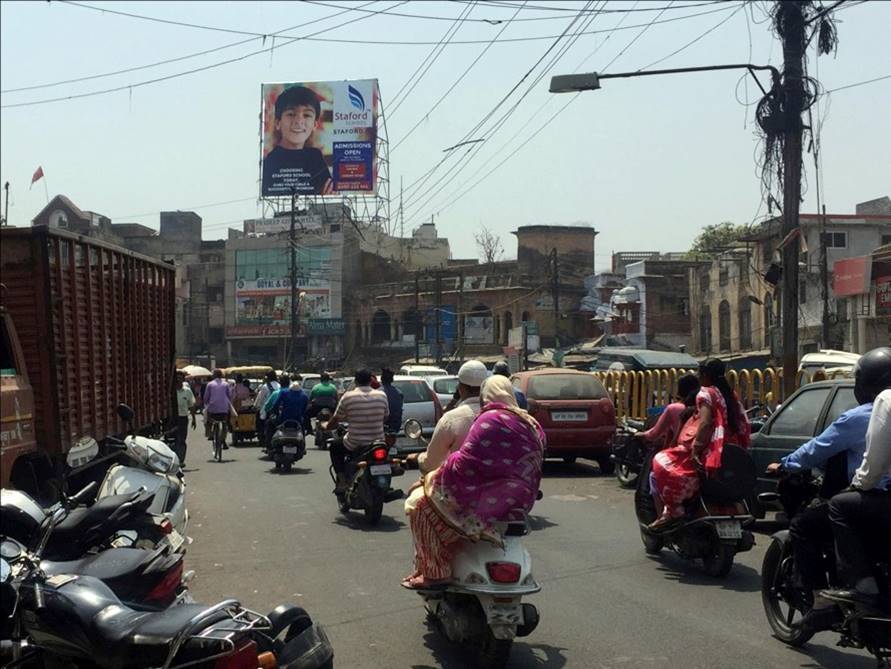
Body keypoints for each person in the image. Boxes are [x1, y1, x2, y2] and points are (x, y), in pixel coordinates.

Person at [764, 349, 880, 632]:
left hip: (870, 498)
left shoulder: (860, 417)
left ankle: (823, 602)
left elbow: (817, 448)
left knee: (805, 526)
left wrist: (785, 464)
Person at [403, 375, 546, 589]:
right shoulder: (532, 425)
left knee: (419, 507)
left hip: (481, 501)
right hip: (520, 503)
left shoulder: (489, 419)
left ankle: (435, 573)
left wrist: (431, 479)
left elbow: (465, 462)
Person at [820, 348, 891, 611]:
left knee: (839, 504)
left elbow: (875, 462)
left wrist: (858, 485)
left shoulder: (885, 401)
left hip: (882, 496)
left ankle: (862, 583)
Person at [649, 358, 750, 531]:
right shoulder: (730, 395)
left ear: (705, 376)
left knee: (660, 463)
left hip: (709, 452)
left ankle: (672, 512)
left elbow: (705, 423)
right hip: (729, 451)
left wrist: (695, 451)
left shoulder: (706, 394)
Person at [415, 360, 487, 476]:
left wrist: (419, 458)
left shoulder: (451, 419)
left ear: (460, 388)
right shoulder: (501, 415)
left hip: (460, 486)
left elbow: (431, 463)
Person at [261, 85, 333, 196]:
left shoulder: (315, 158)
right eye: (291, 114)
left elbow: (328, 198)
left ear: (315, 124)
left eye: (307, 115)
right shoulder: (269, 163)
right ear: (277, 123)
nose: (299, 121)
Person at [327, 369, 389, 492]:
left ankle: (342, 481)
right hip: (378, 442)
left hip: (355, 443)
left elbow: (335, 419)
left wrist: (326, 426)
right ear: (370, 381)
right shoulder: (382, 395)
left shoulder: (348, 396)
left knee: (334, 446)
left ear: (355, 381)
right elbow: (386, 417)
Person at [639, 374, 701, 450]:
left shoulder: (674, 408)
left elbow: (654, 434)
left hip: (681, 451)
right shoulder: (704, 408)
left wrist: (641, 435)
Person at [203, 369, 233, 450]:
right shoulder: (226, 384)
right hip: (224, 409)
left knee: (207, 420)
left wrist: (206, 405)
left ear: (214, 376)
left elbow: (206, 398)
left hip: (212, 410)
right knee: (225, 424)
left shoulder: (209, 384)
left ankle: (210, 434)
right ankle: (223, 440)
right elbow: (229, 396)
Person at [174, 371, 195, 467]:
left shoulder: (187, 391)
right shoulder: (171, 391)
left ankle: (181, 460)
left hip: (183, 418)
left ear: (183, 379)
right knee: (173, 440)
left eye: (180, 378)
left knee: (182, 440)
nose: (178, 379)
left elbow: (191, 405)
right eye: (176, 377)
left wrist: (194, 419)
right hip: (172, 418)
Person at [254, 371, 280, 449]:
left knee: (260, 422)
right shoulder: (279, 386)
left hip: (267, 411)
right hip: (278, 411)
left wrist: (256, 406)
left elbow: (260, 399)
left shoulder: (265, 387)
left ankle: (262, 438)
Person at [380, 368, 403, 434]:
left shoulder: (378, 393)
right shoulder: (399, 393)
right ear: (392, 380)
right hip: (396, 426)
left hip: (382, 426)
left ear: (382, 379)